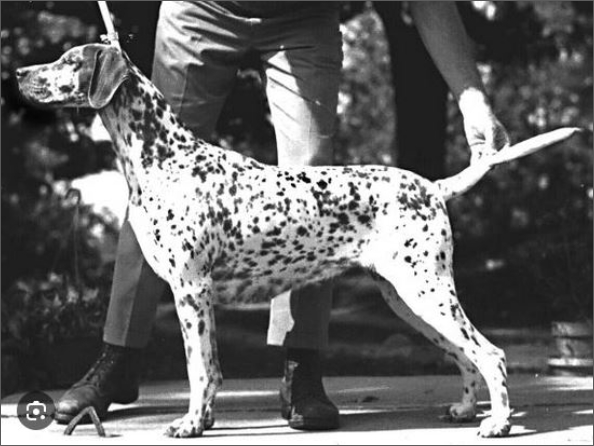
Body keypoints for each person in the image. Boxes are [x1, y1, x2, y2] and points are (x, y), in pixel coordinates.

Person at [55, 1, 509, 431]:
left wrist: (471, 99)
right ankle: (119, 358)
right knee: (157, 185)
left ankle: (302, 369)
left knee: (309, 176)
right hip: (203, 8)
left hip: (304, 14)